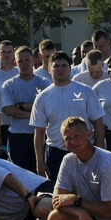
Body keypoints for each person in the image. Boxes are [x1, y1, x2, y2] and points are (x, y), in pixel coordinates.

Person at [30, 51, 106, 180]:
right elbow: (39, 131)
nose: (60, 69)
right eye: (56, 66)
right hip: (56, 152)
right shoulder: (42, 97)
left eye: (64, 65)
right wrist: (40, 162)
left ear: (70, 68)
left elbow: (98, 122)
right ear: (49, 69)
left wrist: (99, 152)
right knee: (59, 194)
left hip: (84, 150)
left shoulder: (85, 91)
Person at [1, 46, 50, 173]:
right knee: (20, 175)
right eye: (20, 61)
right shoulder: (9, 85)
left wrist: (23, 105)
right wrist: (34, 113)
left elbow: (48, 107)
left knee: (40, 174)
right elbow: (8, 110)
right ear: (15, 63)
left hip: (39, 135)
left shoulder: (44, 83)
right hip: (18, 137)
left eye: (27, 60)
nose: (24, 64)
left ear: (33, 61)